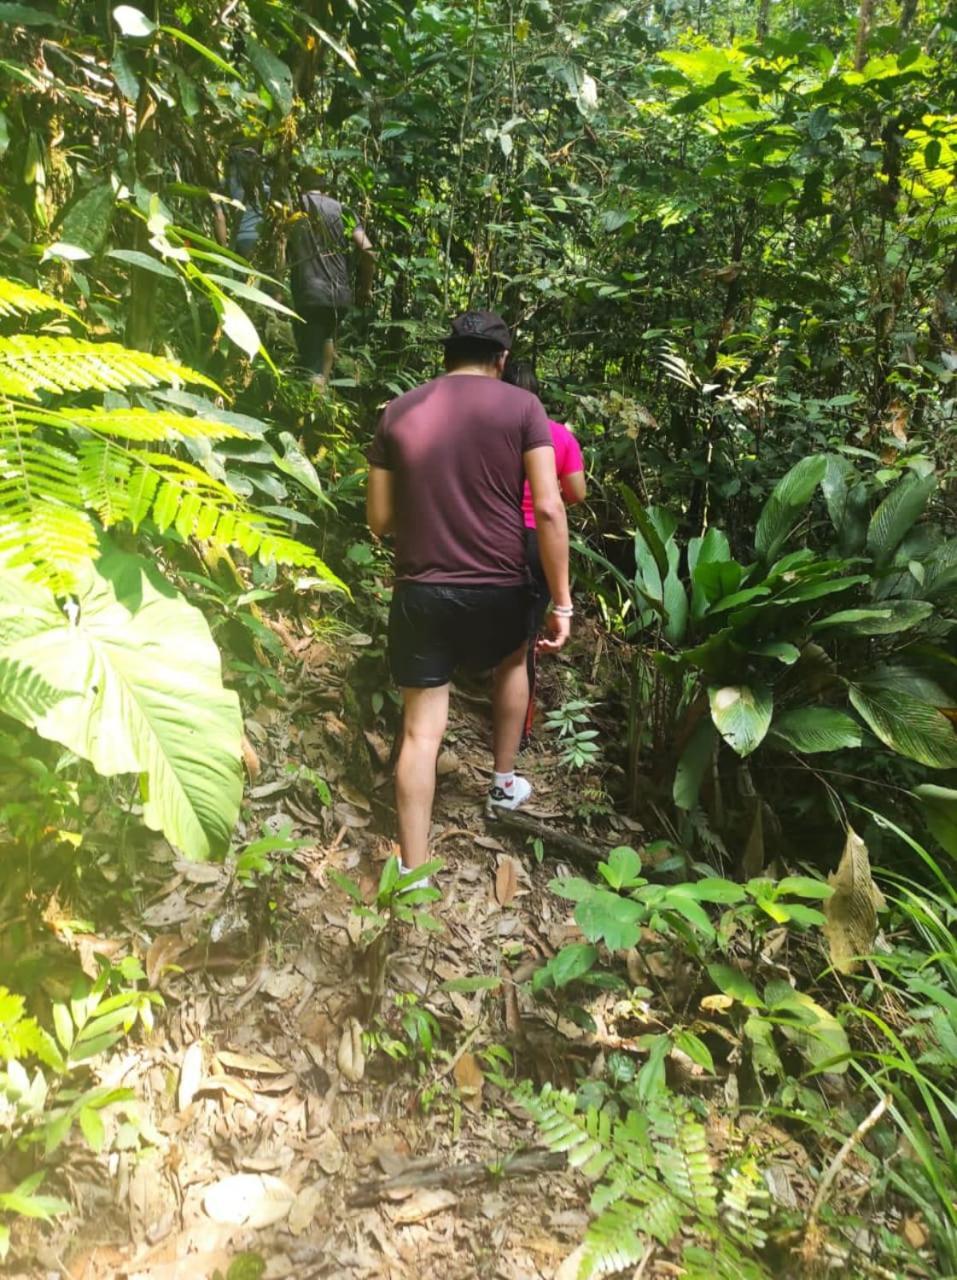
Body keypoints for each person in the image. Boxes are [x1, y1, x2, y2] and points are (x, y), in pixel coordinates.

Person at [365, 310, 573, 876]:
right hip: (503, 589)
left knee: (420, 732)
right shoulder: (524, 407)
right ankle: (502, 784)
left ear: (446, 355)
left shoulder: (398, 412)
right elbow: (550, 506)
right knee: (511, 664)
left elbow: (379, 520)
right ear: (501, 360)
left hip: (423, 589)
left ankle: (410, 871)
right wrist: (562, 602)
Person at [502, 360, 586, 746]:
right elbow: (575, 494)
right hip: (538, 539)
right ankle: (521, 729)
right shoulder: (558, 437)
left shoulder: (491, 431)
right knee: (525, 639)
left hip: (492, 532)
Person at [286, 167, 375, 386]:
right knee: (326, 338)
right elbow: (369, 251)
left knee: (311, 361)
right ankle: (323, 398)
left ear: (300, 187)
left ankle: (313, 408)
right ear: (325, 189)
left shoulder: (295, 208)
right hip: (340, 295)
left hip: (310, 293)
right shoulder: (342, 210)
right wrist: (365, 288)